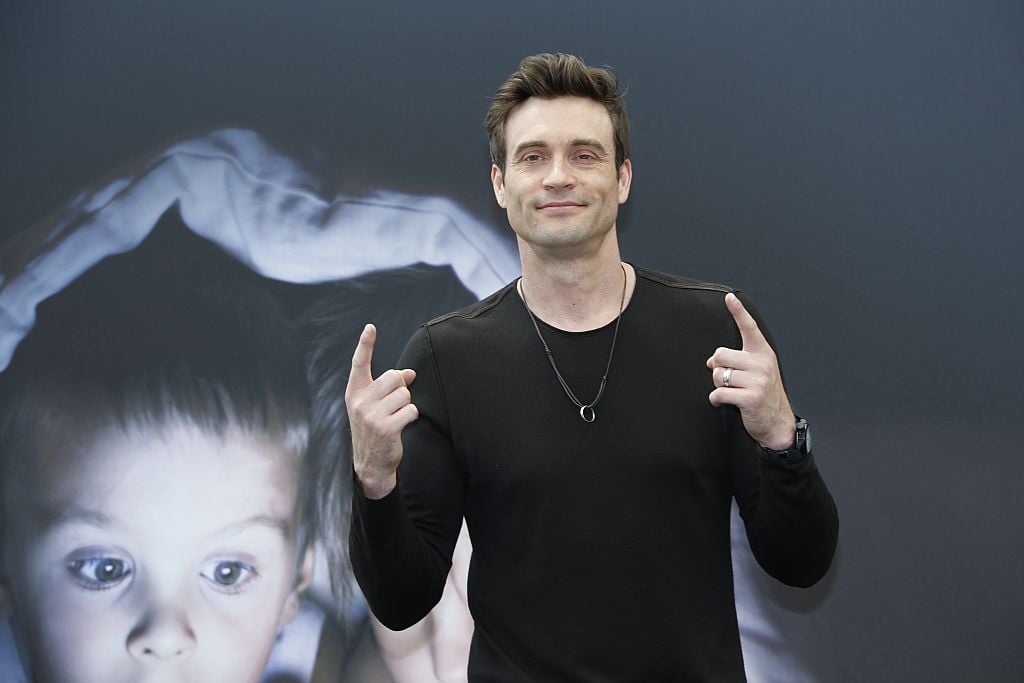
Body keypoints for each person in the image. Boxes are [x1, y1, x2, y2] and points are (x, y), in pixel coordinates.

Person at [345, 53, 839, 681]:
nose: (558, 177)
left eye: (584, 155)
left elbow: (802, 562)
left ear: (622, 178)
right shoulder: (445, 359)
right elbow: (401, 601)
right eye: (533, 157)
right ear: (500, 184)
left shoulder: (716, 330)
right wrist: (374, 480)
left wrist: (781, 440)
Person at [0, 227, 336, 682]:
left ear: (294, 583)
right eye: (104, 568)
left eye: (228, 572)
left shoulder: (316, 664)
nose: (164, 636)